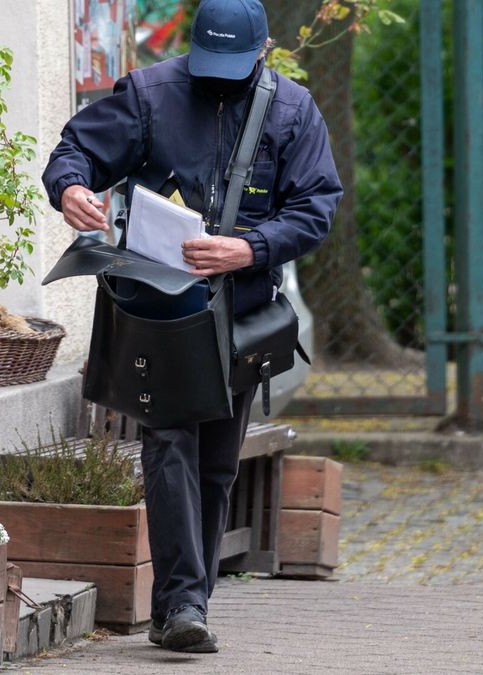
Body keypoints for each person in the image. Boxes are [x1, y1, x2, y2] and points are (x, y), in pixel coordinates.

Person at [42, 0, 342, 654]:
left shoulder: (294, 113)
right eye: (209, 66)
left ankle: (185, 601)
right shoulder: (149, 94)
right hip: (160, 313)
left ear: (263, 52)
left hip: (242, 314)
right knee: (168, 439)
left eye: (234, 68)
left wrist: (251, 247)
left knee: (215, 464)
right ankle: (182, 602)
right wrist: (71, 189)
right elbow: (75, 151)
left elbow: (317, 206)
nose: (218, 79)